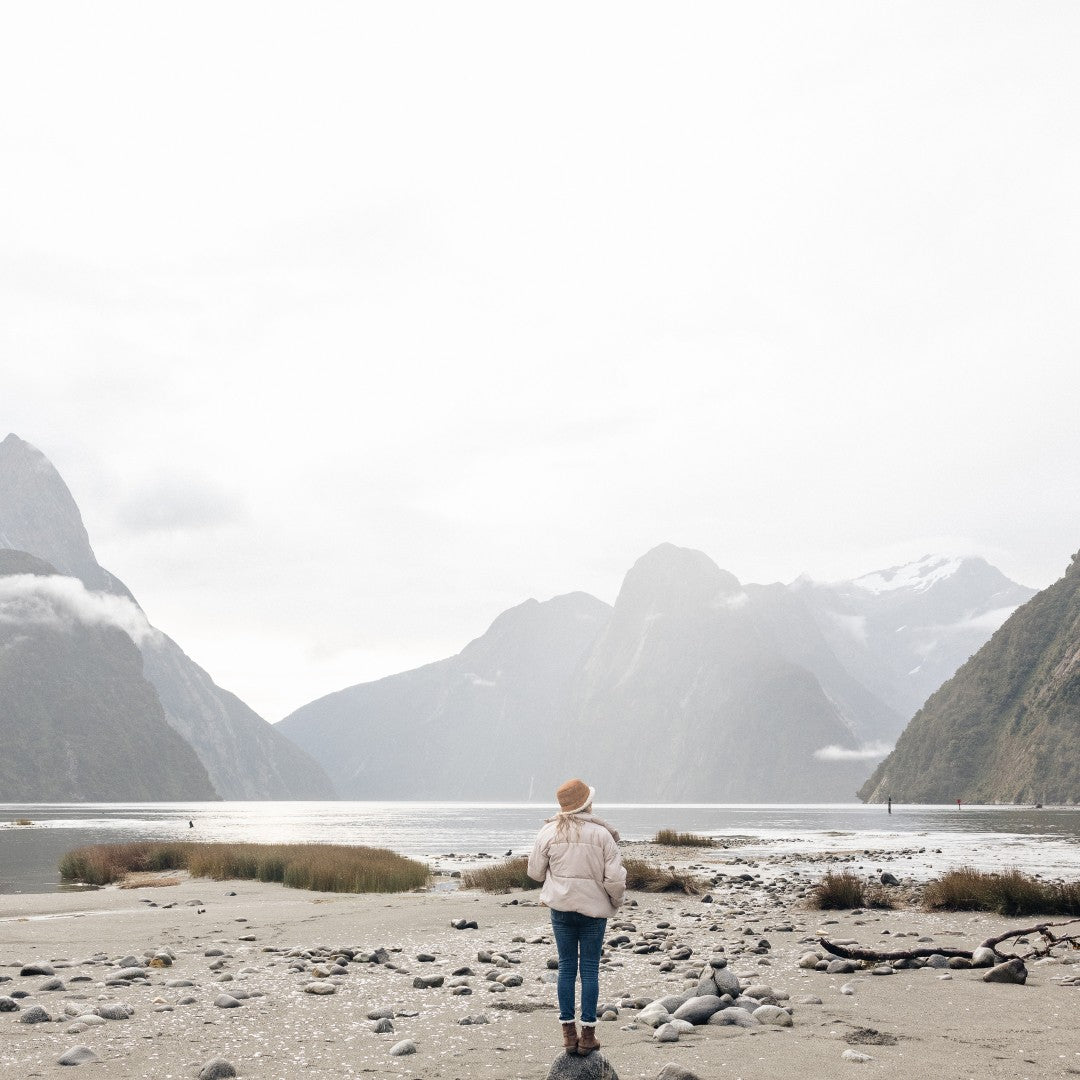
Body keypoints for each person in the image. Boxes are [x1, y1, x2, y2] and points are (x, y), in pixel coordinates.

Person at [527, 778, 626, 1057]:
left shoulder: (548, 832)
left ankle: (568, 1035)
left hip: (561, 909)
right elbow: (615, 879)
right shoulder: (603, 835)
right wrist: (616, 903)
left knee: (567, 968)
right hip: (594, 912)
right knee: (590, 970)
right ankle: (588, 1036)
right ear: (588, 804)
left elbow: (534, 872)